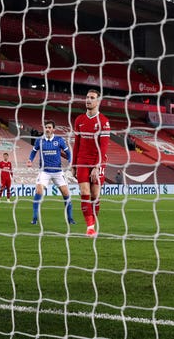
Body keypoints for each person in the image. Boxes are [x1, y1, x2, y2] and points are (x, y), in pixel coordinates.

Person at [72, 89, 111, 237]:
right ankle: (90, 226)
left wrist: (97, 166)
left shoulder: (103, 122)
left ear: (98, 101)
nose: (88, 100)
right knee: (85, 193)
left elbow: (104, 147)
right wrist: (73, 165)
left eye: (92, 98)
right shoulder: (79, 120)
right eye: (87, 97)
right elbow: (76, 144)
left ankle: (92, 221)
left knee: (95, 196)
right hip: (82, 160)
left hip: (98, 161)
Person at [26, 120, 75, 225]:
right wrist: (30, 159)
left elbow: (68, 153)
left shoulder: (59, 140)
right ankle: (34, 219)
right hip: (44, 171)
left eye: (49, 127)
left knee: (66, 194)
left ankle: (70, 219)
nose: (47, 129)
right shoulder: (39, 140)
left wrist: (70, 162)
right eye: (46, 127)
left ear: (53, 129)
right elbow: (34, 151)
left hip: (57, 171)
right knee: (39, 192)